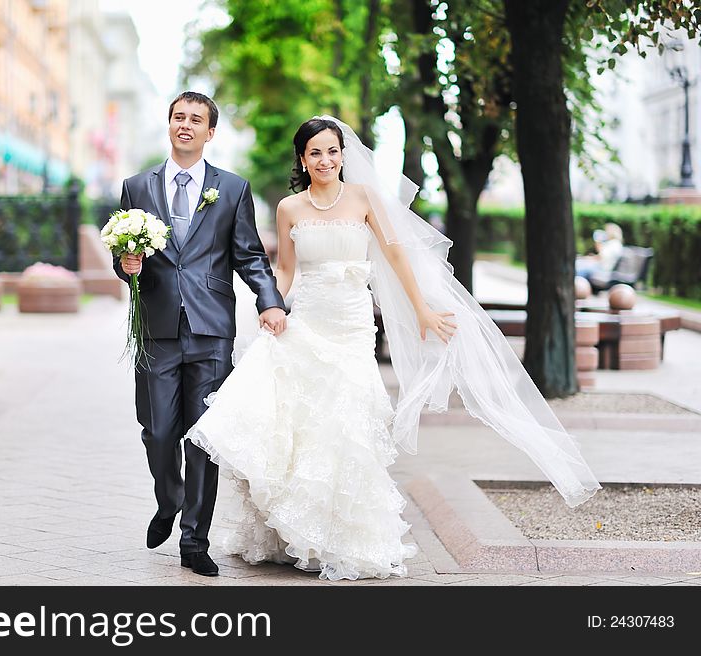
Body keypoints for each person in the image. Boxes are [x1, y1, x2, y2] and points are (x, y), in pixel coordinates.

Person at [185, 116, 601, 581]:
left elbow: (397, 255)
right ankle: (295, 534)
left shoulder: (364, 199)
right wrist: (272, 307)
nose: (325, 160)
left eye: (333, 151)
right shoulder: (288, 208)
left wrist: (422, 310)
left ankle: (343, 537)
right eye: (315, 153)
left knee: (347, 422)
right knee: (303, 422)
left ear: (343, 155)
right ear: (302, 159)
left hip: (352, 325)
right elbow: (285, 270)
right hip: (310, 319)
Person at [113, 92, 287, 577]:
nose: (185, 125)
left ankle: (194, 539)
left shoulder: (231, 189)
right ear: (168, 125)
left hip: (211, 329)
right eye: (178, 117)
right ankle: (167, 500)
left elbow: (249, 254)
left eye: (195, 120)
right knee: (158, 431)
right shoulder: (136, 187)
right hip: (157, 326)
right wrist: (126, 265)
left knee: (204, 437)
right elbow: (122, 253)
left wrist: (269, 300)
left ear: (210, 132)